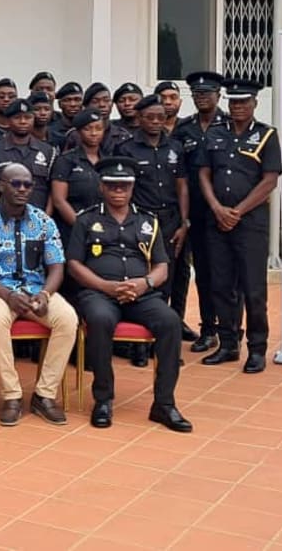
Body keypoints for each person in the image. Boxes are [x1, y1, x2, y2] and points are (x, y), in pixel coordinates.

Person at [65, 157, 193, 433]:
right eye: (112, 186)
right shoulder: (86, 220)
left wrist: (144, 284)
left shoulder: (148, 221)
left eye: (124, 185)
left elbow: (162, 266)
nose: (118, 191)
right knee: (99, 320)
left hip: (142, 293)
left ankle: (164, 403)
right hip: (99, 292)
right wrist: (105, 286)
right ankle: (103, 399)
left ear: (132, 187)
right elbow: (74, 264)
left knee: (170, 322)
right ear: (102, 187)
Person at [0, 163, 77, 426]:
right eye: (16, 183)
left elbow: (56, 266)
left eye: (28, 184)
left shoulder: (43, 221)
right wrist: (7, 296)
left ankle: (44, 395)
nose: (23, 189)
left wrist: (45, 295)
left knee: (68, 320)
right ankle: (12, 395)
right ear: (1, 186)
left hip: (36, 290)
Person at [200, 79, 282, 374]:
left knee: (253, 288)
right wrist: (217, 208)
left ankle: (257, 348)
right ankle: (228, 344)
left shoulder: (266, 135)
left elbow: (270, 180)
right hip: (217, 221)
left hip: (250, 224)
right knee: (221, 286)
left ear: (254, 104)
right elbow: (204, 174)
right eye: (233, 102)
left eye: (243, 102)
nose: (238, 107)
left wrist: (237, 211)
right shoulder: (216, 134)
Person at [117, 97, 189, 367]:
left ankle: (163, 344)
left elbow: (182, 186)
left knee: (164, 281)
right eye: (151, 117)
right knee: (138, 277)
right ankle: (138, 349)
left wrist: (184, 222)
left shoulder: (175, 147)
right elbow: (123, 187)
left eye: (160, 117)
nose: (156, 122)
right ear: (140, 118)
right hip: (141, 220)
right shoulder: (127, 148)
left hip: (170, 220)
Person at [173, 70, 229, 349]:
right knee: (204, 273)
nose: (201, 98)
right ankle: (209, 329)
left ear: (219, 96)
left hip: (225, 211)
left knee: (229, 274)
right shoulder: (184, 129)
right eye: (196, 94)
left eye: (207, 93)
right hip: (196, 211)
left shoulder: (231, 125)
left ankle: (231, 330)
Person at [0, 98, 57, 214]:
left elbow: (53, 190)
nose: (23, 121)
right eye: (17, 118)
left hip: (38, 218)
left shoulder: (48, 151)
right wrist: (1, 213)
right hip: (4, 217)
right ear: (8, 121)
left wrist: (45, 217)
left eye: (27, 117)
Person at [50, 109, 106, 243]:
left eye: (98, 128)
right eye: (88, 129)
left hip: (105, 229)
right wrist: (82, 228)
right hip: (73, 230)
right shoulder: (66, 160)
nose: (94, 133)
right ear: (79, 132)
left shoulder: (108, 160)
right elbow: (59, 200)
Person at [50, 82, 84, 150]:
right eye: (67, 100)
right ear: (60, 104)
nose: (73, 104)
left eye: (77, 100)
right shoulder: (51, 131)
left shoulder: (89, 129)